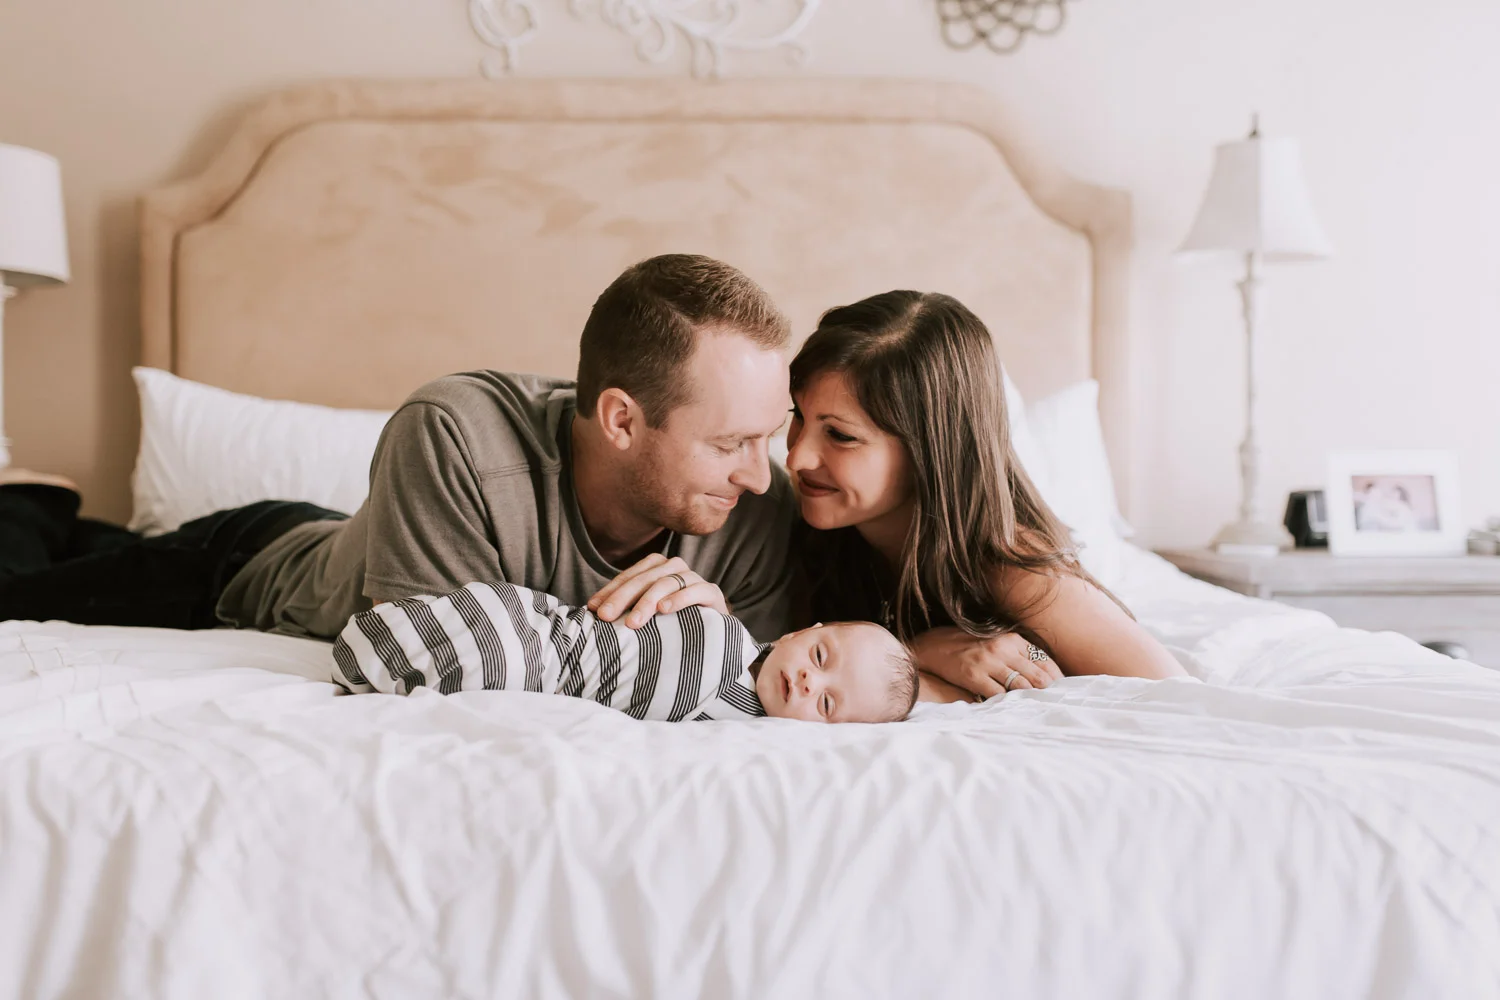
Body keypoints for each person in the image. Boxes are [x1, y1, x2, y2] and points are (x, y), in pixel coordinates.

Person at [0, 255, 799, 642]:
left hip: (359, 536)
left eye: (770, 436)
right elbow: (431, 662)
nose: (760, 475)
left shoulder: (760, 508)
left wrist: (723, 635)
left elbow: (753, 684)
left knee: (99, 554)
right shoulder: (456, 432)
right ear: (622, 420)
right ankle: (29, 499)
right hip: (243, 566)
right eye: (731, 442)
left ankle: (85, 530)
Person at [782, 291, 1186, 702]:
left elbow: (1182, 697)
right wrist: (919, 651)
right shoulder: (790, 523)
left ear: (931, 451)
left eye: (840, 435)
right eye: (798, 415)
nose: (796, 456)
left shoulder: (1017, 570)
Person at [334, 580, 918, 724]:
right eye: (820, 656)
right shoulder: (723, 623)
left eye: (827, 705)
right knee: (493, 630)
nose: (810, 684)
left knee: (487, 668)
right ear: (800, 631)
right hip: (550, 630)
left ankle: (381, 662)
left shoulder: (743, 724)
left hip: (546, 678)